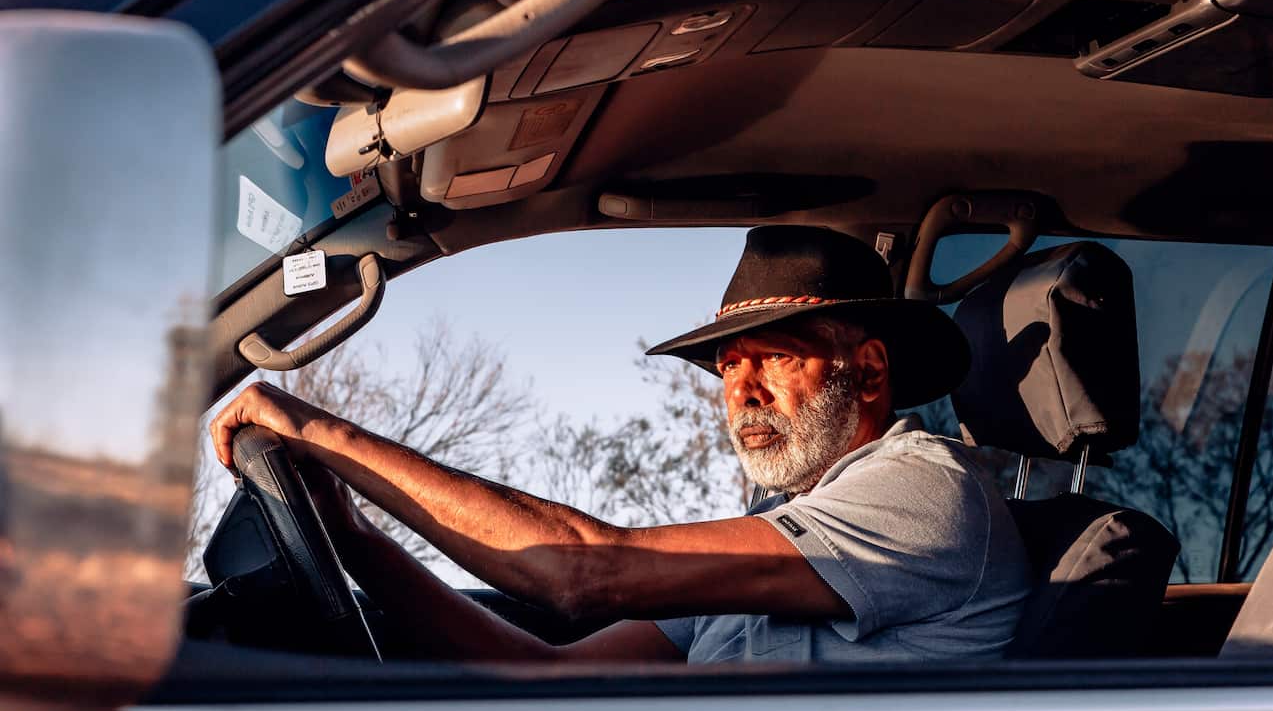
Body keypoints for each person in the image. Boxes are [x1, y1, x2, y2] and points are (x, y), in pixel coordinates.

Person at [210, 226, 1030, 663]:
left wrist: (323, 433)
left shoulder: (924, 490)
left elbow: (583, 572)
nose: (740, 388)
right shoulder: (785, 529)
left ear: (870, 370)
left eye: (775, 355)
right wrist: (353, 538)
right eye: (728, 364)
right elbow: (548, 680)